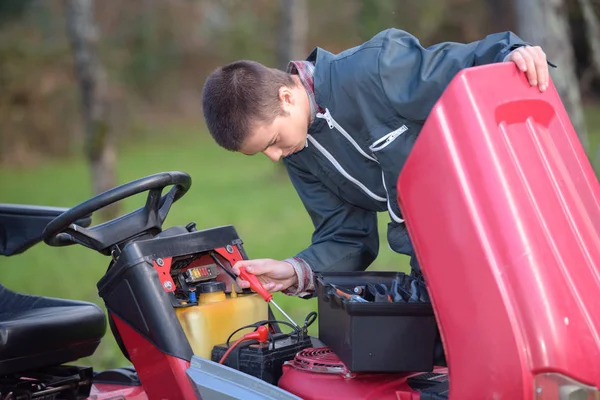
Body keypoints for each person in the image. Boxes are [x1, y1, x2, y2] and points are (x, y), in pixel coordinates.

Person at [201, 28, 550, 298]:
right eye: (263, 151)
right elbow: (348, 236)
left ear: (286, 97)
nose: (275, 157)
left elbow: (468, 61)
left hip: (509, 237)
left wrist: (514, 52)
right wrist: (295, 271)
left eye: (273, 142)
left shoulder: (378, 68)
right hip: (434, 268)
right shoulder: (300, 153)